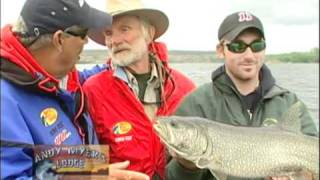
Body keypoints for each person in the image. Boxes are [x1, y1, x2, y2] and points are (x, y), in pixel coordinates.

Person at [0, 0, 149, 179]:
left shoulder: (60, 77)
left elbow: (44, 165)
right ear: (59, 40)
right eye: (83, 33)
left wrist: (126, 57)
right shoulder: (6, 102)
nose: (87, 40)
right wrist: (89, 176)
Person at [165, 11, 318, 180]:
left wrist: (304, 177)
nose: (249, 55)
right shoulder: (196, 103)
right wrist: (186, 166)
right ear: (221, 50)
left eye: (257, 45)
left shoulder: (289, 102)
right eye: (238, 46)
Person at [83, 0, 196, 179]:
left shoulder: (185, 89)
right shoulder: (93, 91)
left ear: (149, 34)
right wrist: (98, 173)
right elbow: (76, 157)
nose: (115, 40)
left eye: (125, 29)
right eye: (108, 33)